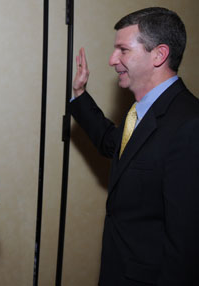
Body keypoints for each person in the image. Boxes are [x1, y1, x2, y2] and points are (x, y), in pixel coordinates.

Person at [71, 7, 199, 285]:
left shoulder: (190, 124)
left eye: (123, 50)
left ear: (158, 55)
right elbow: (112, 145)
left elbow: (186, 243)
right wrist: (80, 95)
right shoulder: (142, 112)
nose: (111, 59)